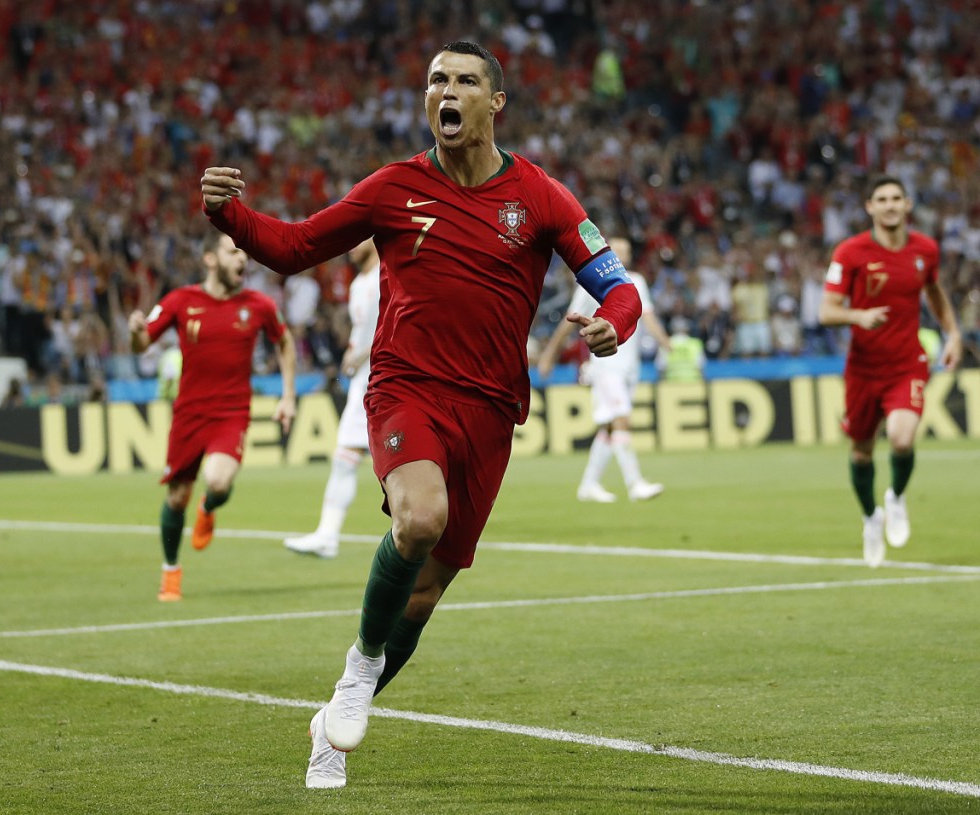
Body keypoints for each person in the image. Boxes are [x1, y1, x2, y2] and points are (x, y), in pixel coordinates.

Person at [200, 40, 641, 789]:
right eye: (438, 79)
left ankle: (334, 724)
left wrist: (612, 326)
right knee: (419, 519)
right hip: (405, 387)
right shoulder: (392, 188)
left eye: (466, 80)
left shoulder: (540, 196)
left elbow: (618, 286)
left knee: (427, 592)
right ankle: (358, 670)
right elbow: (298, 245)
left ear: (493, 103)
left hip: (492, 411)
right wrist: (230, 215)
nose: (449, 89)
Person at [128, 232, 297, 601]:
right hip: (189, 413)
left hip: (232, 413)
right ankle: (171, 571)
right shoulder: (180, 301)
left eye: (244, 253)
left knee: (218, 481)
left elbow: (285, 342)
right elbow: (142, 344)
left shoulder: (260, 304)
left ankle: (208, 506)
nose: (242, 259)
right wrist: (136, 334)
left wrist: (288, 395)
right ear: (209, 259)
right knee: (176, 498)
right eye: (232, 251)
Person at [819, 175, 962, 568]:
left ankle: (896, 497)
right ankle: (870, 517)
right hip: (864, 369)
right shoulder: (850, 252)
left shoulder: (925, 249)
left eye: (896, 198)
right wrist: (857, 315)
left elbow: (933, 292)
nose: (890, 205)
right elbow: (826, 312)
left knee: (901, 438)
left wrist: (952, 334)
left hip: (907, 362)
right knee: (862, 452)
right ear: (869, 207)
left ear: (908, 204)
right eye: (881, 199)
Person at [537, 237, 670, 503]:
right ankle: (635, 484)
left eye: (627, 251)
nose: (622, 256)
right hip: (606, 364)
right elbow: (568, 322)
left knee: (609, 428)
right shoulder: (592, 283)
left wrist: (665, 343)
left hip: (630, 366)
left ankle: (589, 485)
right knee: (621, 419)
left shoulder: (636, 282)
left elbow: (648, 317)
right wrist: (549, 355)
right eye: (617, 251)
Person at [283, 238, 381, 558]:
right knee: (347, 457)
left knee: (374, 462)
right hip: (364, 380)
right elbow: (363, 331)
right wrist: (352, 352)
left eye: (360, 237)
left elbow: (401, 324)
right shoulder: (359, 284)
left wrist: (364, 351)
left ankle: (329, 535)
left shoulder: (389, 275)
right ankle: (328, 535)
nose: (351, 245)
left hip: (385, 376)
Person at [658, 316, 706, 382]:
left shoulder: (665, 343)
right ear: (687, 329)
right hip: (693, 383)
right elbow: (700, 367)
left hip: (671, 384)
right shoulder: (695, 344)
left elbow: (661, 368)